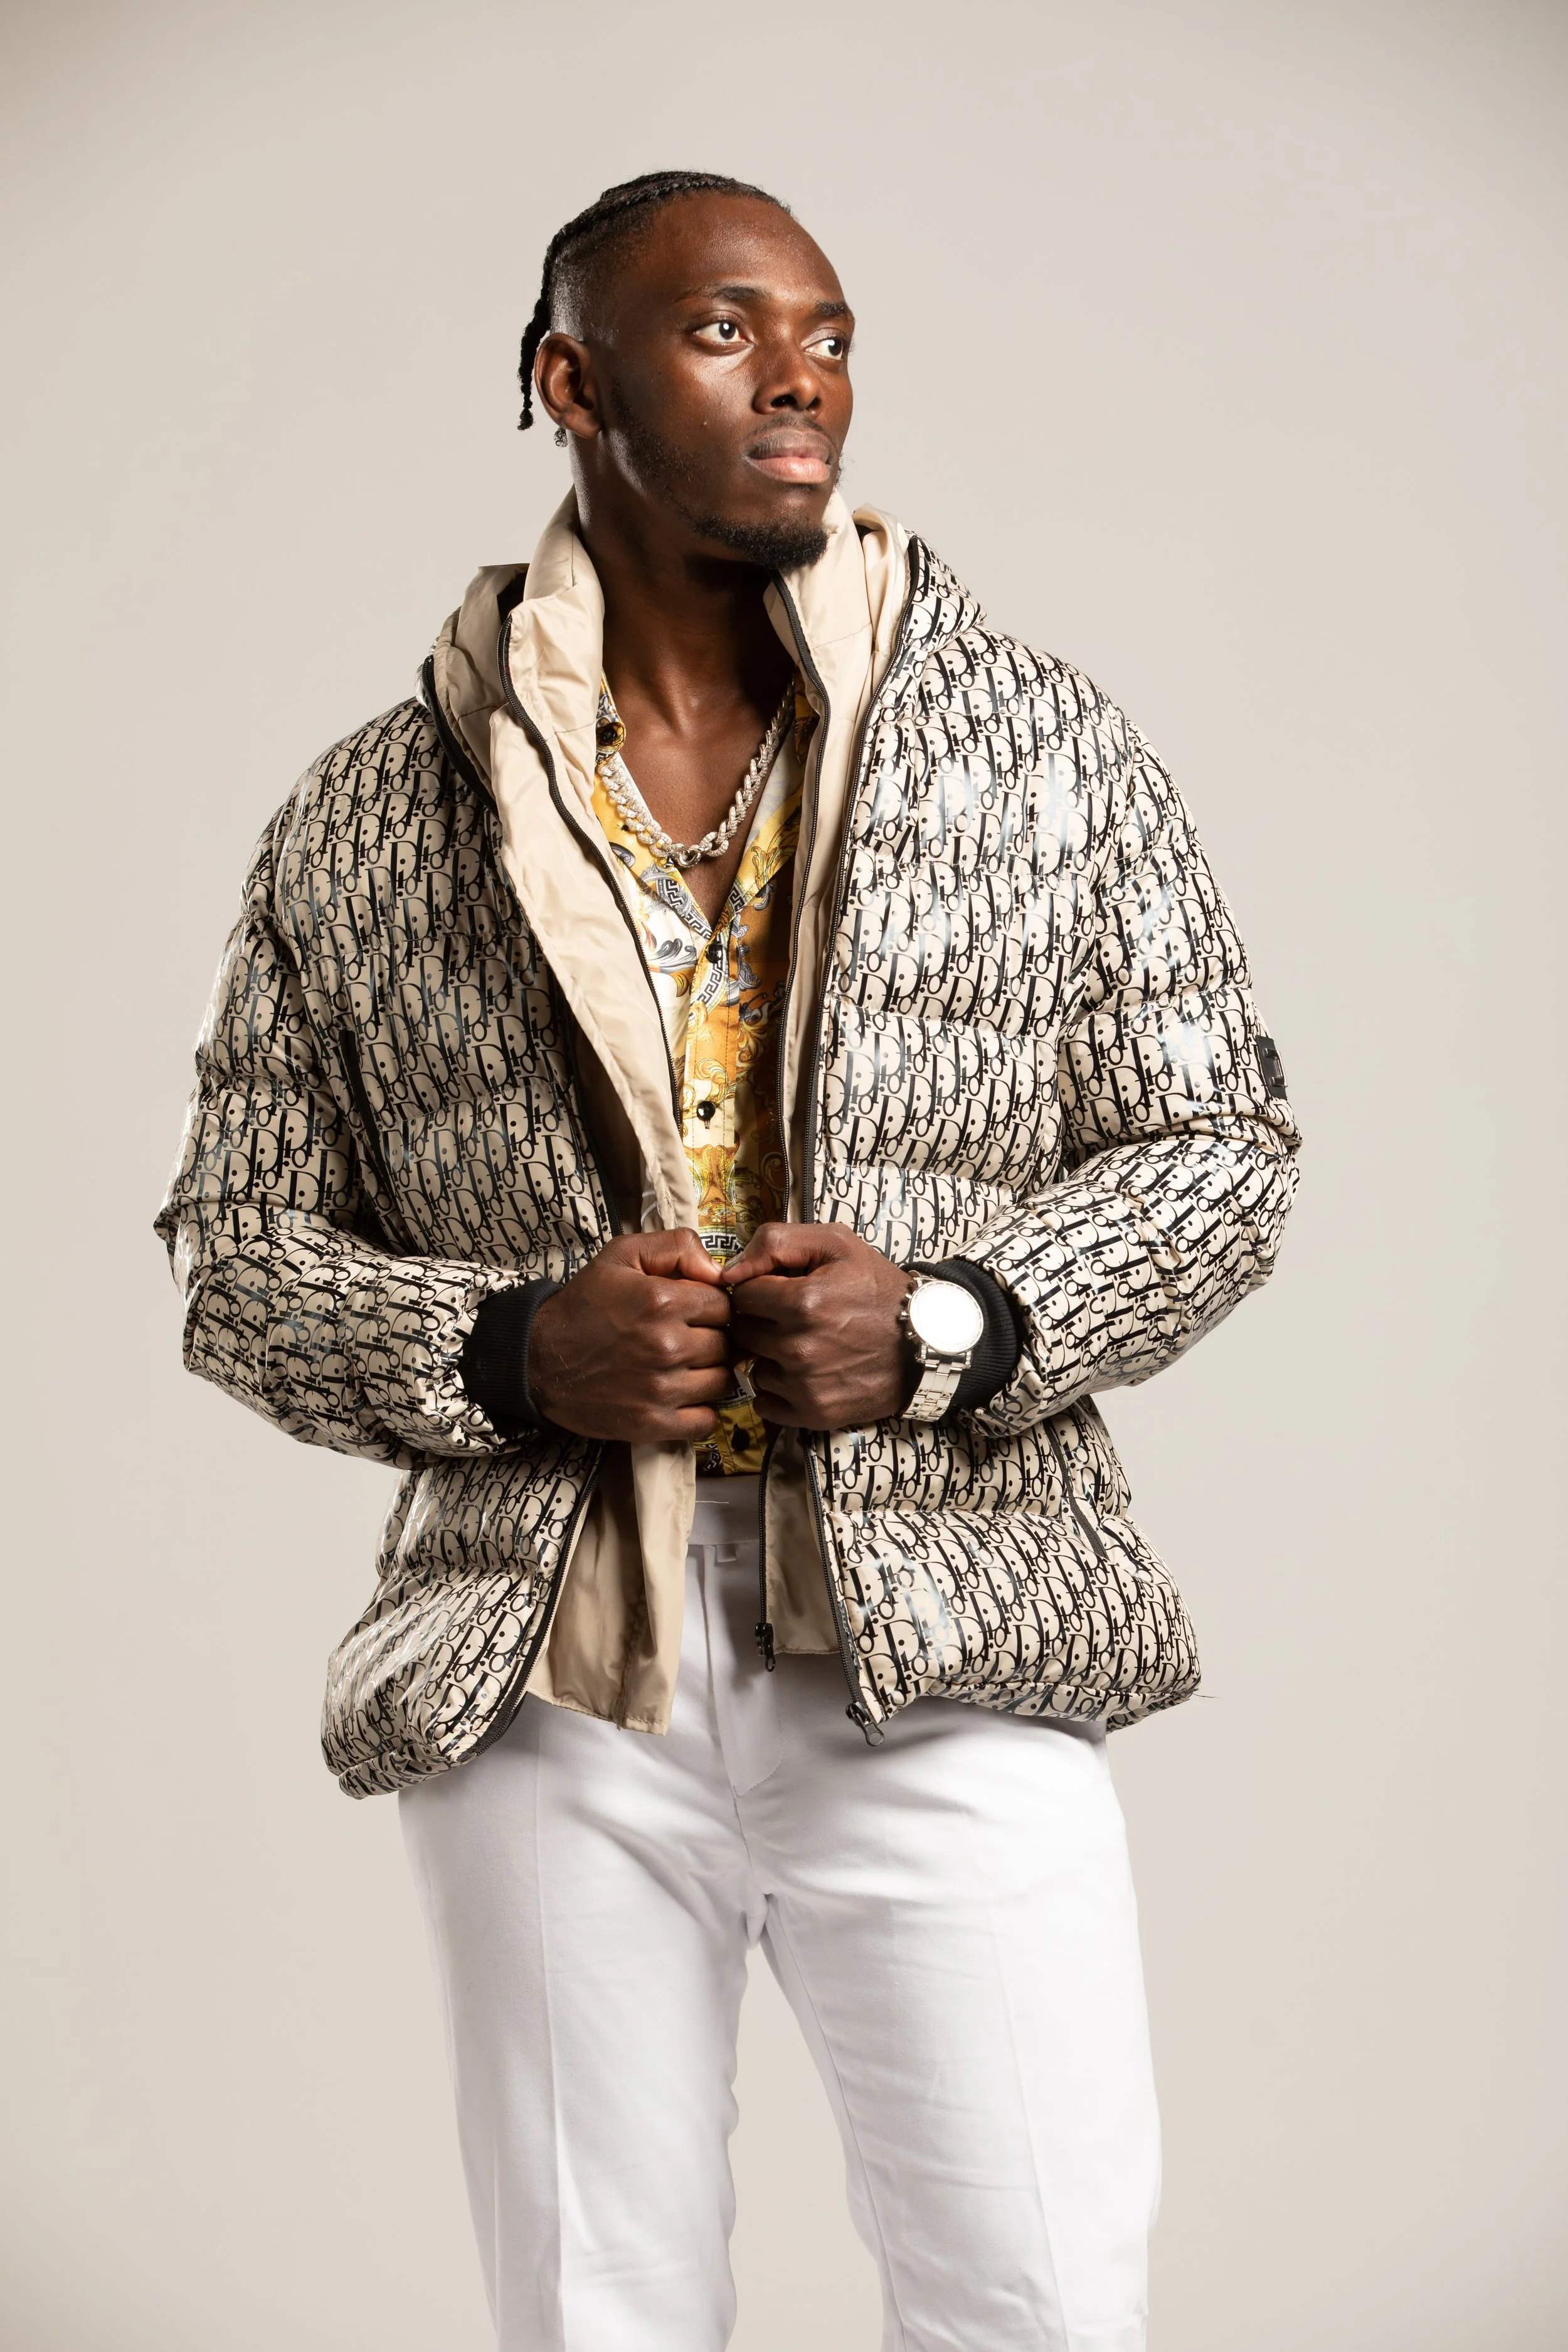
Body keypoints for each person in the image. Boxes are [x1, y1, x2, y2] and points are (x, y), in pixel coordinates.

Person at [157, 168, 1300, 2352]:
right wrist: (506, 1354)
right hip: (551, 1669)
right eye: (725, 331)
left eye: (833, 334)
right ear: (567, 381)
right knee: (595, 2311)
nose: (802, 379)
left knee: (1039, 2301)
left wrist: (953, 1325)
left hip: (950, 1631)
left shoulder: (1032, 748)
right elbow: (237, 1251)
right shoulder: (374, 815)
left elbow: (1222, 1149)